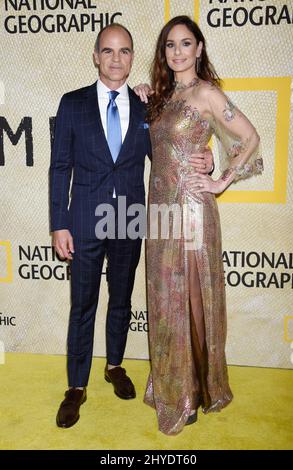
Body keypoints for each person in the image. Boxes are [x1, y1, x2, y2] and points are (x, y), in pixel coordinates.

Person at [49, 23, 213, 428]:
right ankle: (76, 387)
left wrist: (207, 158)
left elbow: (177, 143)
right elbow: (59, 169)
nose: (116, 59)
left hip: (130, 220)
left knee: (121, 300)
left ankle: (115, 365)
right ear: (95, 56)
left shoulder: (149, 106)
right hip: (84, 222)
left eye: (124, 51)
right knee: (83, 305)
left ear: (132, 56)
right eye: (108, 51)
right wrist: (59, 225)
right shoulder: (72, 103)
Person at [135, 16, 263, 435]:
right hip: (160, 212)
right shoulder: (159, 96)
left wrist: (220, 178)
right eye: (170, 45)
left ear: (199, 48)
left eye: (185, 44)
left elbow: (249, 137)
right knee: (164, 298)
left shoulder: (207, 93)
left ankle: (194, 392)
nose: (177, 52)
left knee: (190, 297)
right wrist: (140, 93)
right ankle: (172, 383)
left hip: (191, 207)